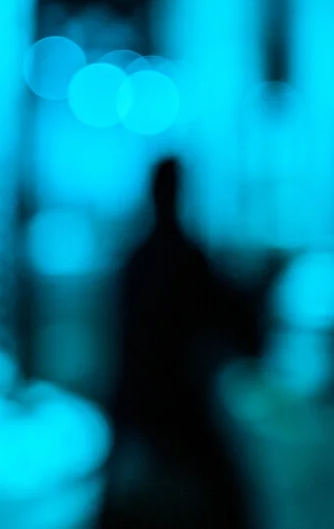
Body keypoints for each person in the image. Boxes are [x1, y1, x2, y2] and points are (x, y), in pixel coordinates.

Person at [101, 158, 258, 529]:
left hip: (143, 407)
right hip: (177, 407)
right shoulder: (188, 260)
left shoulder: (138, 259)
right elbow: (237, 327)